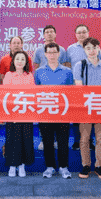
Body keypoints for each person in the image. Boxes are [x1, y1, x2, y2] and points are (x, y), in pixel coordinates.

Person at [74, 37, 101, 180]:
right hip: (85, 107)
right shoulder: (80, 65)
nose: (92, 51)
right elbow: (79, 88)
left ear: (99, 49)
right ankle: (86, 165)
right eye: (88, 48)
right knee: (84, 139)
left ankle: (99, 166)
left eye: (94, 47)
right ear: (84, 50)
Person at [34, 42, 74, 179]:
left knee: (63, 142)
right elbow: (35, 92)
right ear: (45, 54)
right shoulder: (39, 72)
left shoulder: (67, 71)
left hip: (62, 113)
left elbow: (71, 93)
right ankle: (49, 167)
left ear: (59, 54)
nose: (52, 55)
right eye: (49, 52)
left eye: (54, 52)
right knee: (47, 141)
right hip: (45, 112)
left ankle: (64, 167)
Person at [69, 25, 101, 150]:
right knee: (77, 115)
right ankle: (77, 141)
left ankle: (90, 141)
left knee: (91, 115)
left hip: (93, 88)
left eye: (84, 32)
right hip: (77, 88)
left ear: (88, 33)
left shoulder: (97, 48)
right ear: (75, 34)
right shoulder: (71, 49)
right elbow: (68, 65)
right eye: (79, 32)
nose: (81, 34)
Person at [3, 50, 35, 177]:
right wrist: (13, 113)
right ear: (13, 61)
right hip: (12, 114)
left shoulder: (29, 76)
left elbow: (32, 95)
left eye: (22, 59)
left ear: (26, 62)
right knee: (12, 140)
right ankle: (12, 165)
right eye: (17, 59)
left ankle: (21, 165)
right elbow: (6, 95)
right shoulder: (8, 75)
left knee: (25, 140)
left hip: (26, 113)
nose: (20, 61)